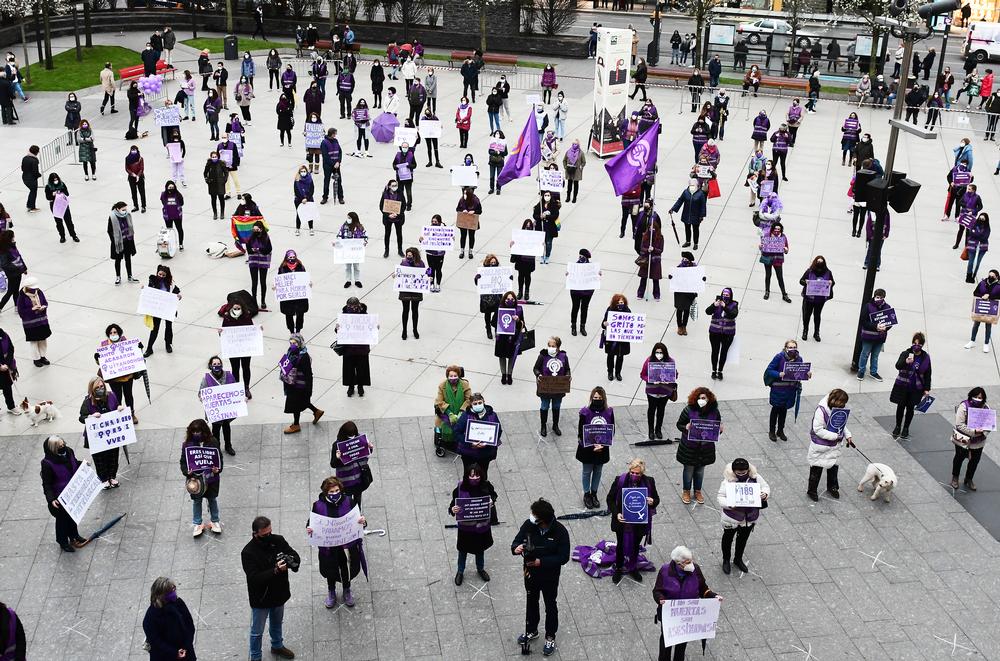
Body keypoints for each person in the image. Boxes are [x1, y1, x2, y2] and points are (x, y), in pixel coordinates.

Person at [511, 498, 570, 657]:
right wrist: (516, 547)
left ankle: (550, 635)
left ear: (543, 520)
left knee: (550, 604)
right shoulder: (528, 525)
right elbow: (516, 540)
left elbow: (563, 557)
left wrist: (541, 562)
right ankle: (532, 630)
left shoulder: (560, 532)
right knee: (531, 601)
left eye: (535, 515)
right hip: (530, 574)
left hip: (549, 576)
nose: (531, 516)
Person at [241, 516, 298, 661]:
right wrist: (275, 570)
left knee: (277, 622)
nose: (269, 536)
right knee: (257, 632)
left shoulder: (278, 540)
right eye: (265, 534)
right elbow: (254, 578)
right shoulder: (248, 552)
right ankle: (255, 657)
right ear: (255, 534)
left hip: (279, 593)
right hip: (261, 598)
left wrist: (290, 561)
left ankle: (277, 645)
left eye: (270, 532)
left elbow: (295, 556)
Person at [307, 477, 367, 609]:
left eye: (337, 490)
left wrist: (363, 521)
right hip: (328, 547)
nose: (335, 494)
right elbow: (311, 522)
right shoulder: (318, 505)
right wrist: (310, 528)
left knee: (346, 569)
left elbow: (358, 519)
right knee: (330, 570)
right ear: (325, 492)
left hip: (346, 546)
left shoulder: (349, 501)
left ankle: (347, 589)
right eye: (331, 492)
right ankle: (331, 591)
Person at [653, 546, 721, 660]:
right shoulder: (665, 571)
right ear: (678, 563)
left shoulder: (696, 570)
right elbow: (657, 590)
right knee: (666, 642)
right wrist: (660, 598)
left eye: (691, 561)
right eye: (687, 562)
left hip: (686, 617)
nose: (691, 564)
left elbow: (703, 589)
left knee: (682, 643)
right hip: (670, 616)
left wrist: (714, 596)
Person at [606, 459, 660, 583]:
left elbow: (656, 499)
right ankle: (619, 567)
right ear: (629, 470)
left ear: (642, 473)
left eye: (638, 473)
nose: (634, 475)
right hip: (622, 520)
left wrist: (653, 502)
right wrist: (616, 513)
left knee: (636, 545)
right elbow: (610, 499)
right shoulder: (620, 480)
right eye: (632, 472)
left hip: (640, 521)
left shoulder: (649, 482)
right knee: (620, 544)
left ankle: (632, 566)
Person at [449, 462, 497, 585]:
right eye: (471, 476)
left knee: (480, 550)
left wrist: (491, 501)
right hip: (466, 529)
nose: (474, 478)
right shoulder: (460, 488)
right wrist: (453, 509)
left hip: (481, 528)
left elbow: (494, 495)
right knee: (463, 550)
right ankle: (460, 571)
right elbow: (452, 505)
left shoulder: (486, 486)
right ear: (467, 476)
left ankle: (480, 569)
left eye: (477, 476)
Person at [40, 435, 88, 553]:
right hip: (60, 497)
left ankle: (74, 536)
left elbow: (74, 463)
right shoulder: (47, 463)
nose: (63, 447)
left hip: (72, 492)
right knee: (62, 521)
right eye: (60, 446)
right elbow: (47, 483)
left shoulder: (69, 451)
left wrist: (83, 464)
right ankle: (63, 542)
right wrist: (51, 499)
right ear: (53, 449)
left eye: (63, 444)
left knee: (73, 517)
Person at [675, 387, 721, 505]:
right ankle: (686, 491)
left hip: (705, 448)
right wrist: (685, 427)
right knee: (689, 470)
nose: (702, 400)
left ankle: (697, 491)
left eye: (704, 398)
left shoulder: (714, 412)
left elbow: (716, 427)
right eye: (700, 398)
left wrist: (719, 430)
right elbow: (679, 424)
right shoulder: (688, 410)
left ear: (709, 399)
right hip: (690, 447)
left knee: (700, 470)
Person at [807, 388, 854, 501]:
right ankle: (812, 491)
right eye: (842, 402)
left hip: (834, 446)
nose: (843, 405)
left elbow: (841, 424)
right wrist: (835, 436)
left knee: (833, 467)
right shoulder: (821, 411)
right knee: (816, 469)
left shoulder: (837, 409)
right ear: (834, 400)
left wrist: (848, 435)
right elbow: (817, 429)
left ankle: (832, 487)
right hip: (821, 446)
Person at [180, 419, 223, 537]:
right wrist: (186, 472)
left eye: (198, 431)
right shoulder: (187, 445)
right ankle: (197, 523)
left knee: (212, 499)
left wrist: (217, 469)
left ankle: (215, 521)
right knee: (197, 501)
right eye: (193, 432)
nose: (196, 434)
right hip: (195, 480)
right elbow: (183, 462)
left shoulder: (213, 441)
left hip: (211, 478)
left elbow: (219, 458)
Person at [80, 376, 125, 487]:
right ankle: (104, 478)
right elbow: (81, 417)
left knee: (113, 456)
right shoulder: (87, 402)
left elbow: (116, 406)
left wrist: (119, 408)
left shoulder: (111, 395)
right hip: (96, 437)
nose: (100, 389)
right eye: (97, 387)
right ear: (92, 389)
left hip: (111, 434)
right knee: (100, 458)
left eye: (102, 386)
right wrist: (90, 416)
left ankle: (112, 476)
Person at [94, 323, 142, 422]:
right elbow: (102, 363)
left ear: (119, 333)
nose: (113, 334)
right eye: (111, 332)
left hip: (127, 377)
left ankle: (131, 414)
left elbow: (134, 355)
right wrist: (97, 358)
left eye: (115, 332)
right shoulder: (104, 346)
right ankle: (119, 415)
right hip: (114, 379)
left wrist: (139, 348)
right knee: (117, 398)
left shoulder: (126, 342)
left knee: (129, 395)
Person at [890, 331, 932, 440]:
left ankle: (906, 428)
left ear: (922, 345)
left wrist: (927, 389)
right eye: (914, 343)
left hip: (916, 387)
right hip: (903, 385)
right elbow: (898, 366)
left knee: (910, 408)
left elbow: (928, 374)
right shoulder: (905, 353)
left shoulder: (925, 357)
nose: (916, 346)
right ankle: (898, 426)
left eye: (919, 344)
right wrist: (906, 362)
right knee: (900, 406)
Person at [763, 339, 808, 442]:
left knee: (784, 410)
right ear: (785, 348)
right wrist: (779, 374)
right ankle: (772, 431)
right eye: (790, 347)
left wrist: (807, 374)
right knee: (775, 410)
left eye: (794, 347)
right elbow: (769, 370)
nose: (792, 349)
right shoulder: (779, 357)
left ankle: (780, 430)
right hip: (778, 389)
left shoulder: (799, 359)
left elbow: (800, 372)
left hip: (790, 390)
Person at [577, 387, 613, 509]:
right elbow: (581, 432)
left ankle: (594, 494)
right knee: (587, 472)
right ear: (592, 398)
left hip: (602, 448)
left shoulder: (609, 412)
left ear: (603, 398)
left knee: (598, 471)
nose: (597, 399)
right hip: (587, 449)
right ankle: (587, 494)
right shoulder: (585, 412)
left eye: (599, 398)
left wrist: (602, 445)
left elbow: (611, 431)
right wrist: (593, 445)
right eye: (595, 397)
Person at [281, 333, 323, 434]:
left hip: (300, 385)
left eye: (294, 343)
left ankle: (296, 425)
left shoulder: (304, 356)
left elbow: (308, 374)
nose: (292, 345)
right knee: (301, 402)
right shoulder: (290, 352)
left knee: (295, 405)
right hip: (292, 383)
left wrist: (309, 389)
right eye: (290, 343)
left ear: (299, 343)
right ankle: (316, 412)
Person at [455, 392, 502, 480]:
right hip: (469, 453)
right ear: (471, 404)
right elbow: (457, 432)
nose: (478, 405)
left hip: (485, 453)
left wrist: (487, 443)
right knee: (468, 473)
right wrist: (470, 444)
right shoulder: (466, 416)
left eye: (480, 403)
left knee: (483, 473)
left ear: (484, 402)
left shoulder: (492, 415)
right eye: (475, 404)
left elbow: (498, 431)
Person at [951, 387, 990, 491]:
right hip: (963, 440)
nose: (978, 399)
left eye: (980, 397)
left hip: (978, 442)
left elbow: (989, 425)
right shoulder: (964, 406)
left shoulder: (986, 408)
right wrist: (974, 432)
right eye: (976, 397)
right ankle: (955, 477)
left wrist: (984, 433)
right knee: (959, 458)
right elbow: (959, 425)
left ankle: (969, 479)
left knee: (974, 461)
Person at [330, 421, 374, 508]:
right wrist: (338, 458)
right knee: (347, 502)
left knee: (358, 500)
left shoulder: (361, 439)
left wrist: (370, 448)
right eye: (349, 435)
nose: (352, 437)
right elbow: (333, 464)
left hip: (359, 478)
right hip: (345, 482)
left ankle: (357, 517)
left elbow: (365, 455)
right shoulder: (337, 445)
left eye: (353, 435)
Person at [199, 356, 238, 455]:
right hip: (215, 410)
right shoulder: (206, 379)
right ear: (210, 366)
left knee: (226, 427)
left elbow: (235, 389)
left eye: (218, 363)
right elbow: (201, 393)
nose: (217, 366)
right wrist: (203, 398)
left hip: (226, 409)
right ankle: (216, 448)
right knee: (215, 430)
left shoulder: (229, 375)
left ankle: (228, 446)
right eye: (214, 364)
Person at [533, 336, 570, 437]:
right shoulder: (542, 356)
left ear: (558, 347)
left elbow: (567, 369)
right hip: (545, 388)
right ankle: (543, 425)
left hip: (558, 388)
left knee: (556, 407)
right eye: (549, 345)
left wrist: (568, 376)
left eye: (553, 346)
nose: (550, 347)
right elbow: (536, 368)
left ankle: (555, 425)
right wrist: (538, 374)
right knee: (544, 406)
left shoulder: (563, 356)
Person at [640, 342, 677, 441]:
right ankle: (651, 430)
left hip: (665, 392)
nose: (659, 354)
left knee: (661, 411)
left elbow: (675, 375)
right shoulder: (649, 361)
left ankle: (658, 430)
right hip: (652, 391)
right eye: (657, 352)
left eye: (661, 352)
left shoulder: (670, 361)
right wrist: (651, 379)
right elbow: (642, 375)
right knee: (651, 410)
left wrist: (669, 378)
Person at [218, 299, 255, 399]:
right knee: (235, 369)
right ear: (231, 308)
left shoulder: (246, 317)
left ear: (242, 308)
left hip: (245, 349)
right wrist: (220, 332)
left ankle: (246, 388)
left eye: (239, 308)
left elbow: (252, 331)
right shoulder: (227, 318)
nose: (237, 310)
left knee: (246, 367)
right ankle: (237, 388)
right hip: (233, 349)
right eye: (235, 308)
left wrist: (258, 330)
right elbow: (224, 334)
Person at [434, 365, 472, 450]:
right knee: (442, 423)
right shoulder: (442, 385)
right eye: (451, 376)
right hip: (446, 412)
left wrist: (461, 412)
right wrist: (450, 414)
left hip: (461, 412)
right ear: (447, 376)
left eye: (455, 376)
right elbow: (440, 401)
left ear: (459, 376)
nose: (453, 378)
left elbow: (469, 399)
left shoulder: (465, 384)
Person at [16, 276, 50, 367]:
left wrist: (43, 307)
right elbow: (21, 312)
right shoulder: (22, 297)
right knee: (34, 342)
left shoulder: (39, 292)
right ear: (27, 287)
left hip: (42, 321)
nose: (35, 289)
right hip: (30, 324)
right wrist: (32, 309)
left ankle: (43, 356)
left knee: (43, 340)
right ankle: (36, 359)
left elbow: (45, 302)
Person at [966, 269, 1000, 351]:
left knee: (988, 326)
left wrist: (990, 296)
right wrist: (982, 296)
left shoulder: (998, 286)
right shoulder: (982, 283)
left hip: (990, 309)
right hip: (981, 307)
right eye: (989, 275)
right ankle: (972, 341)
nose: (990, 277)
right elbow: (975, 293)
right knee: (976, 324)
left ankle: (986, 344)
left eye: (992, 276)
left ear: (997, 277)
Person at [670, 178, 707, 251]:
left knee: (695, 229)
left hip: (696, 215)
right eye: (691, 185)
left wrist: (702, 215)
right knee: (687, 228)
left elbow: (703, 205)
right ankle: (688, 241)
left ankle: (695, 243)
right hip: (686, 214)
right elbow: (680, 201)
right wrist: (673, 209)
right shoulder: (685, 192)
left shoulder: (701, 194)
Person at [276, 250, 309, 333]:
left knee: (300, 314)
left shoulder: (300, 266)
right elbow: (279, 280)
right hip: (288, 297)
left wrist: (308, 282)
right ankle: (291, 331)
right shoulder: (282, 268)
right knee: (289, 315)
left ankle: (298, 331)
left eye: (294, 257)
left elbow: (304, 277)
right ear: (286, 258)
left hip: (299, 297)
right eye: (290, 257)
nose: (292, 259)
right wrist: (276, 286)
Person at [601, 294, 631, 381]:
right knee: (610, 356)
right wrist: (605, 324)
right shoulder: (610, 310)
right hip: (612, 339)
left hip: (622, 340)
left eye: (622, 302)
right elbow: (603, 324)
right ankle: (610, 372)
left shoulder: (627, 311)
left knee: (620, 357)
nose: (620, 304)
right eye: (618, 302)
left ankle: (618, 373)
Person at [242, 220, 271, 311]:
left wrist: (259, 249)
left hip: (263, 262)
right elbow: (248, 249)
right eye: (253, 229)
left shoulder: (266, 237)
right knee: (254, 282)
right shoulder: (250, 237)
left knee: (263, 282)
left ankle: (263, 300)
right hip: (253, 261)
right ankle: (254, 300)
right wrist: (254, 250)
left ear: (261, 229)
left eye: (257, 229)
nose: (254, 231)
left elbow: (269, 249)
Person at [107, 201, 138, 284]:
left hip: (127, 240)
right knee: (118, 260)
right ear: (118, 209)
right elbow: (109, 231)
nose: (125, 211)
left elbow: (130, 227)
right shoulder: (112, 217)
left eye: (125, 209)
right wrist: (115, 241)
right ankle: (118, 277)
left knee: (128, 259)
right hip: (119, 243)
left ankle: (130, 276)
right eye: (123, 209)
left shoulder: (127, 215)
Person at [759, 222, 790, 302]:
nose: (776, 230)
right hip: (767, 258)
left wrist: (786, 250)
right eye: (775, 229)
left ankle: (784, 294)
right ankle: (767, 291)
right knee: (768, 275)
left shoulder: (783, 237)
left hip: (778, 259)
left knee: (780, 277)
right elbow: (762, 246)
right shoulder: (766, 235)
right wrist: (760, 247)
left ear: (781, 230)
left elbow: (786, 249)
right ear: (772, 228)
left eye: (778, 229)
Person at [44, 172, 79, 243]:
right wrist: (53, 194)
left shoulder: (62, 184)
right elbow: (48, 197)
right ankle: (62, 236)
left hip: (64, 205)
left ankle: (73, 235)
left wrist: (61, 192)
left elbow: (67, 193)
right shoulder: (48, 187)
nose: (56, 181)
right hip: (55, 206)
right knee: (59, 222)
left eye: (56, 179)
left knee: (69, 221)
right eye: (54, 180)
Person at [380, 180, 406, 258]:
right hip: (388, 218)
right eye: (393, 185)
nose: (395, 187)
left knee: (399, 234)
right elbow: (381, 207)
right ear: (389, 186)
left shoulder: (400, 193)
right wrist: (388, 215)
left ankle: (400, 250)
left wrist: (397, 214)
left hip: (398, 218)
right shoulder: (385, 194)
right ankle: (386, 250)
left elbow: (404, 205)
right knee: (387, 234)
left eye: (396, 185)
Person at [532, 191, 560, 264]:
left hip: (550, 228)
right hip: (541, 227)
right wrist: (539, 217)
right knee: (541, 243)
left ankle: (547, 256)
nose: (547, 196)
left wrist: (546, 216)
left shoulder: (554, 205)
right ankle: (541, 256)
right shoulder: (540, 205)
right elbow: (534, 215)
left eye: (548, 195)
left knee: (548, 243)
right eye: (545, 195)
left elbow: (555, 216)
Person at [965, 212, 991, 283]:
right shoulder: (973, 224)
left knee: (977, 263)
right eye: (980, 218)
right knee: (971, 262)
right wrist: (978, 235)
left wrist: (975, 233)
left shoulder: (987, 228)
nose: (981, 219)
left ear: (986, 219)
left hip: (982, 248)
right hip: (972, 246)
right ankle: (968, 276)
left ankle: (973, 276)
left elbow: (985, 237)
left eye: (983, 218)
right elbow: (970, 233)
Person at [392, 142, 418, 210]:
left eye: (406, 147)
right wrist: (395, 167)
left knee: (408, 192)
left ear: (408, 148)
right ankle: (401, 204)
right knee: (400, 192)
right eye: (403, 147)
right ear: (401, 147)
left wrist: (410, 166)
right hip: (400, 177)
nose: (404, 148)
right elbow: (394, 164)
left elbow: (415, 165)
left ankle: (409, 205)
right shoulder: (398, 155)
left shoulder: (411, 155)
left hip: (408, 178)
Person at [203, 151, 228, 220]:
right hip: (212, 184)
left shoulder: (221, 163)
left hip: (220, 184)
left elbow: (226, 172)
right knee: (213, 199)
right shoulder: (209, 164)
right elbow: (205, 173)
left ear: (218, 157)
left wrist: (224, 180)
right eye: (213, 157)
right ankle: (215, 213)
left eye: (215, 157)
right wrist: (207, 180)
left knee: (221, 199)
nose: (214, 158)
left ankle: (222, 212)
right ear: (211, 157)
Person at [562, 139, 586, 203]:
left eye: (576, 144)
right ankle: (568, 197)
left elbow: (584, 162)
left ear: (578, 145)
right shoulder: (568, 151)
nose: (574, 145)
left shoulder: (581, 153)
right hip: (569, 170)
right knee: (569, 185)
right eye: (573, 144)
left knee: (576, 185)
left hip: (577, 171)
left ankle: (574, 197)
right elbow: (564, 160)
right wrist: (565, 167)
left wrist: (581, 166)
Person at [20, 145, 40, 212]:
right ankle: (32, 207)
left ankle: (29, 205)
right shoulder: (34, 160)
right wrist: (38, 175)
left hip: (24, 177)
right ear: (36, 152)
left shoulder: (25, 158)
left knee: (32, 191)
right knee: (33, 192)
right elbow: (35, 171)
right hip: (31, 179)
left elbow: (22, 168)